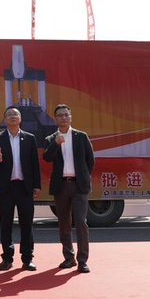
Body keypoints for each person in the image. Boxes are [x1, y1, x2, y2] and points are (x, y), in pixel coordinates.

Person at [0, 107, 41, 271]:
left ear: (20, 118)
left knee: (27, 224)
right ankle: (7, 258)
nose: (12, 117)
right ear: (5, 119)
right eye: (9, 115)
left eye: (15, 114)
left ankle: (27, 258)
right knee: (6, 224)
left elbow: (35, 164)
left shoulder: (29, 138)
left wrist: (36, 185)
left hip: (24, 187)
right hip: (6, 188)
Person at [43, 104, 95, 273]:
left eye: (66, 115)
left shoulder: (81, 136)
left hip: (78, 186)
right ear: (55, 119)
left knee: (80, 221)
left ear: (71, 117)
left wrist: (83, 177)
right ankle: (69, 257)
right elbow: (47, 157)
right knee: (64, 223)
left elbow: (90, 161)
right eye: (60, 115)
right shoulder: (51, 138)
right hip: (61, 186)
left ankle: (82, 260)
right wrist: (56, 144)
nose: (63, 118)